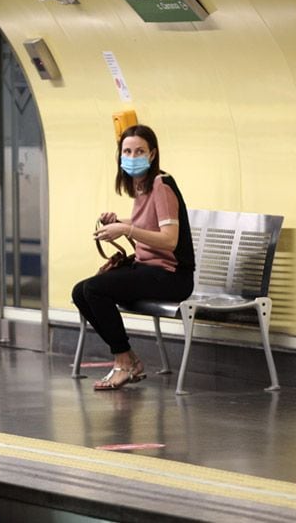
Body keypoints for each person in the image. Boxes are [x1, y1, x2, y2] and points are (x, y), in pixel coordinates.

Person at [71, 124, 195, 390]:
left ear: (152, 155)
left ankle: (123, 361)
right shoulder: (140, 186)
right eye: (127, 151)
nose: (132, 155)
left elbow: (169, 239)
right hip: (148, 269)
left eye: (139, 150)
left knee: (94, 289)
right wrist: (118, 222)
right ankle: (128, 358)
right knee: (80, 292)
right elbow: (148, 224)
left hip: (172, 276)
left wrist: (126, 229)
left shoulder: (161, 186)